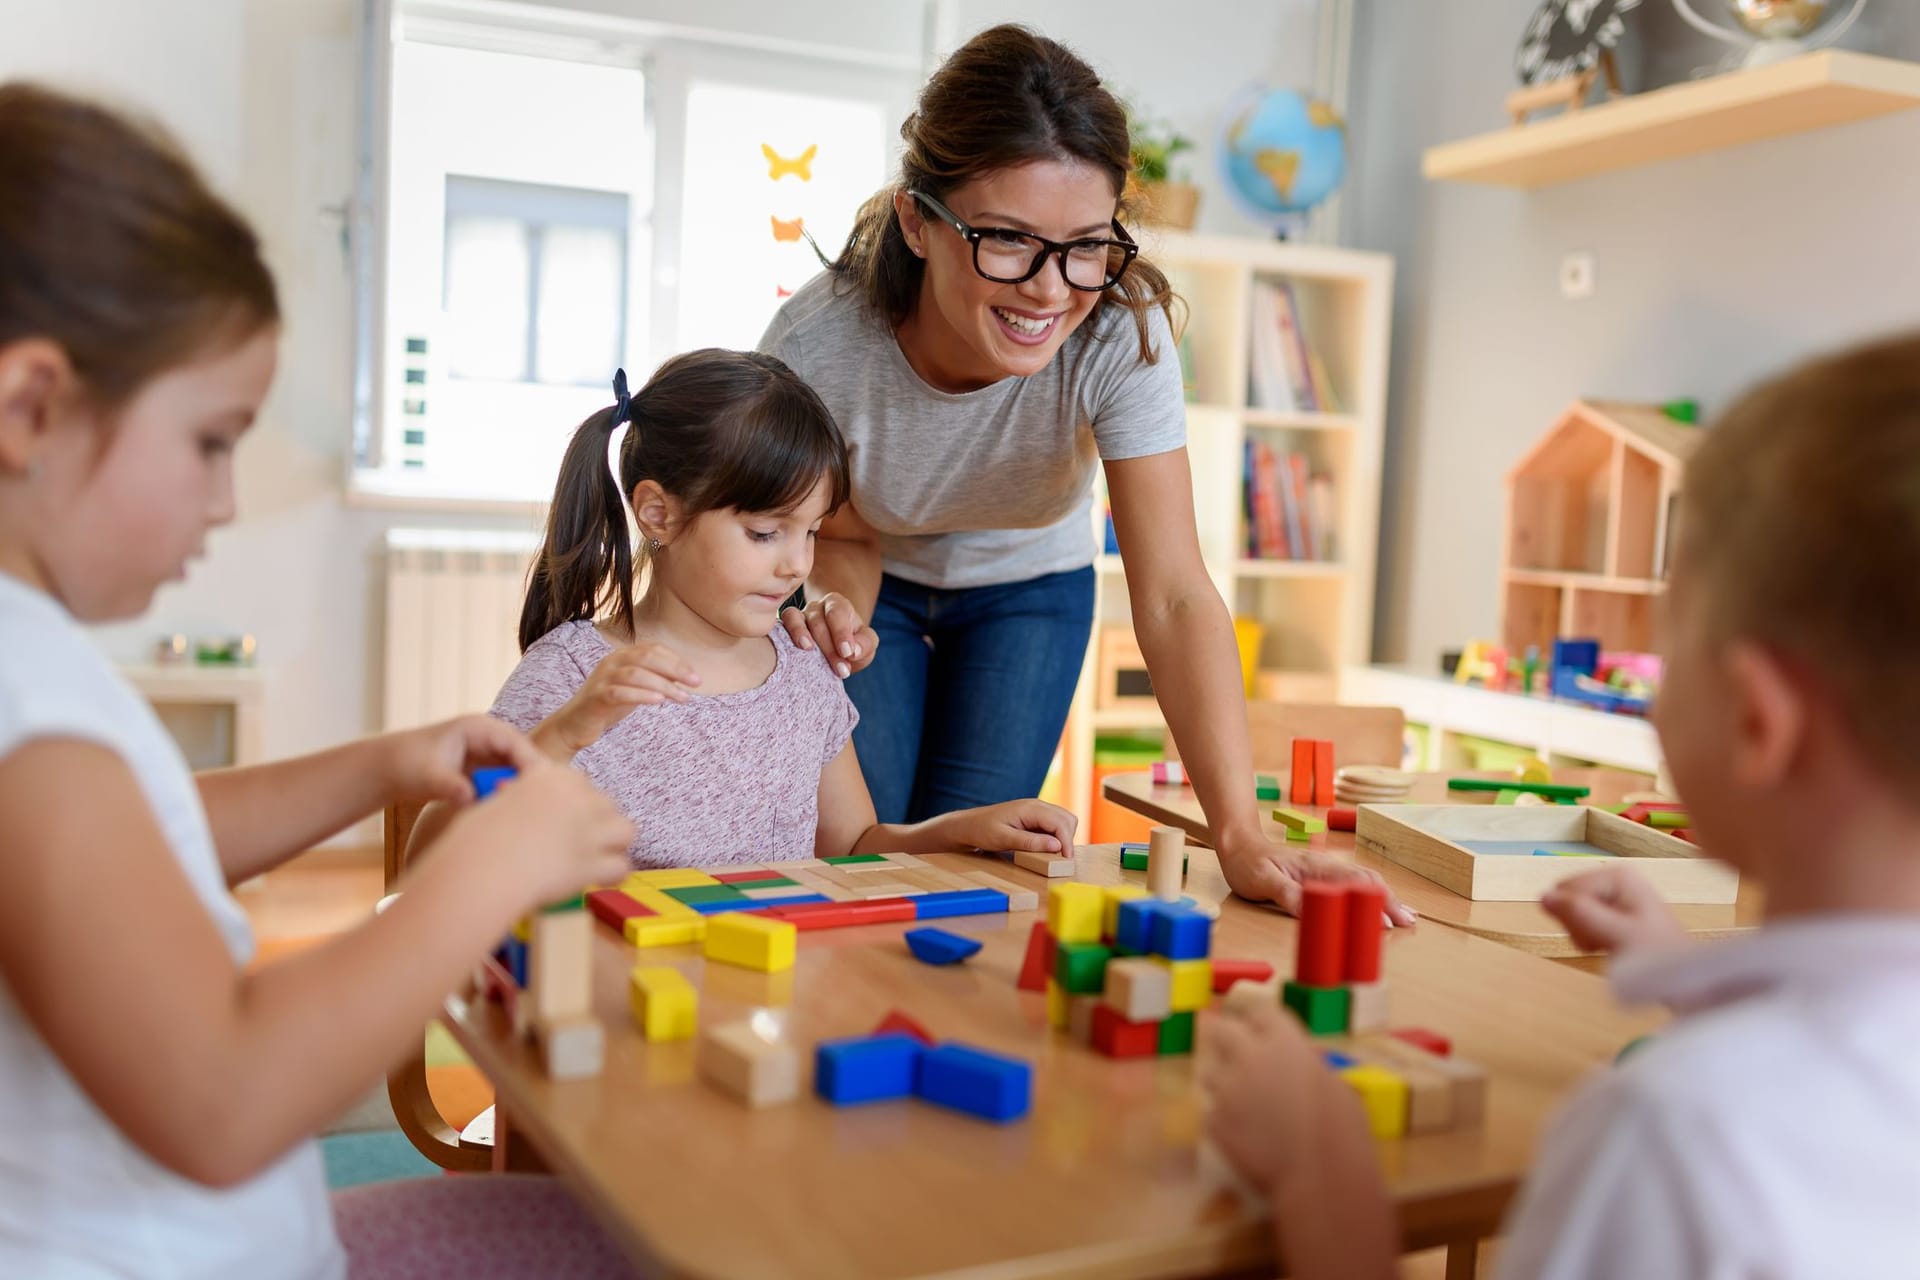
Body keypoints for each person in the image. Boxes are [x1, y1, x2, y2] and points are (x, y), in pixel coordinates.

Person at [0, 83, 639, 1277]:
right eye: (209, 439)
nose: (225, 498)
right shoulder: (32, 723)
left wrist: (383, 763)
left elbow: (133, 845)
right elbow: (228, 1093)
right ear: (32, 406)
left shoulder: (27, 671)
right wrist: (486, 876)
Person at [1201, 333, 1920, 1279]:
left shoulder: (1670, 1137)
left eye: (1667, 642)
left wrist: (1318, 1170)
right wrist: (1685, 978)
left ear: (1754, 719)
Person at [762, 24, 1408, 921]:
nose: (1050, 289)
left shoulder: (1117, 335)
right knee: (870, 854)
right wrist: (831, 618)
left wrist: (1241, 833)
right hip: (873, 571)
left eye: (1087, 246)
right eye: (1007, 240)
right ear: (917, 219)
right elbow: (844, 530)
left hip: (1028, 584)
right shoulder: (819, 348)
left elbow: (1177, 594)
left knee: (975, 869)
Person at [407, 349, 1078, 869]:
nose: (797, 564)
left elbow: (852, 849)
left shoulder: (801, 671)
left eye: (811, 531)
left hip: (772, 1004)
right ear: (658, 513)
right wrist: (567, 733)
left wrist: (961, 831)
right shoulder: (573, 678)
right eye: (765, 533)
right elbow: (426, 861)